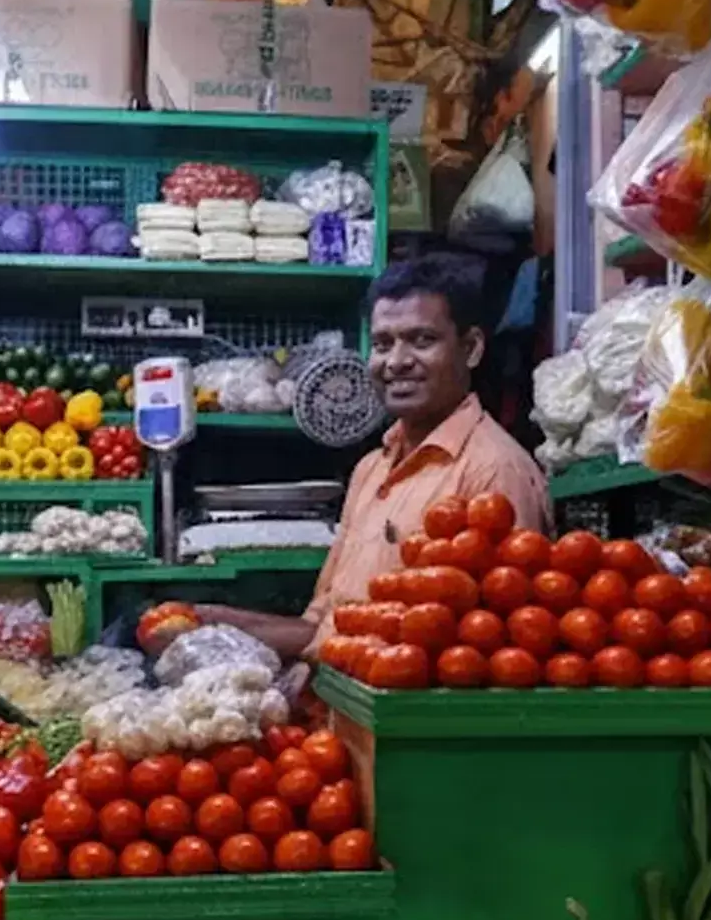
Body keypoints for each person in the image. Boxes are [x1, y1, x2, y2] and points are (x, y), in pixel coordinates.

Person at [202, 254, 550, 662]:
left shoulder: (493, 470)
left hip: (408, 719)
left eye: (422, 340)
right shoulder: (372, 468)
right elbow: (327, 615)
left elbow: (495, 645)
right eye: (383, 343)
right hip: (345, 709)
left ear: (471, 348)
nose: (396, 362)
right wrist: (221, 623)